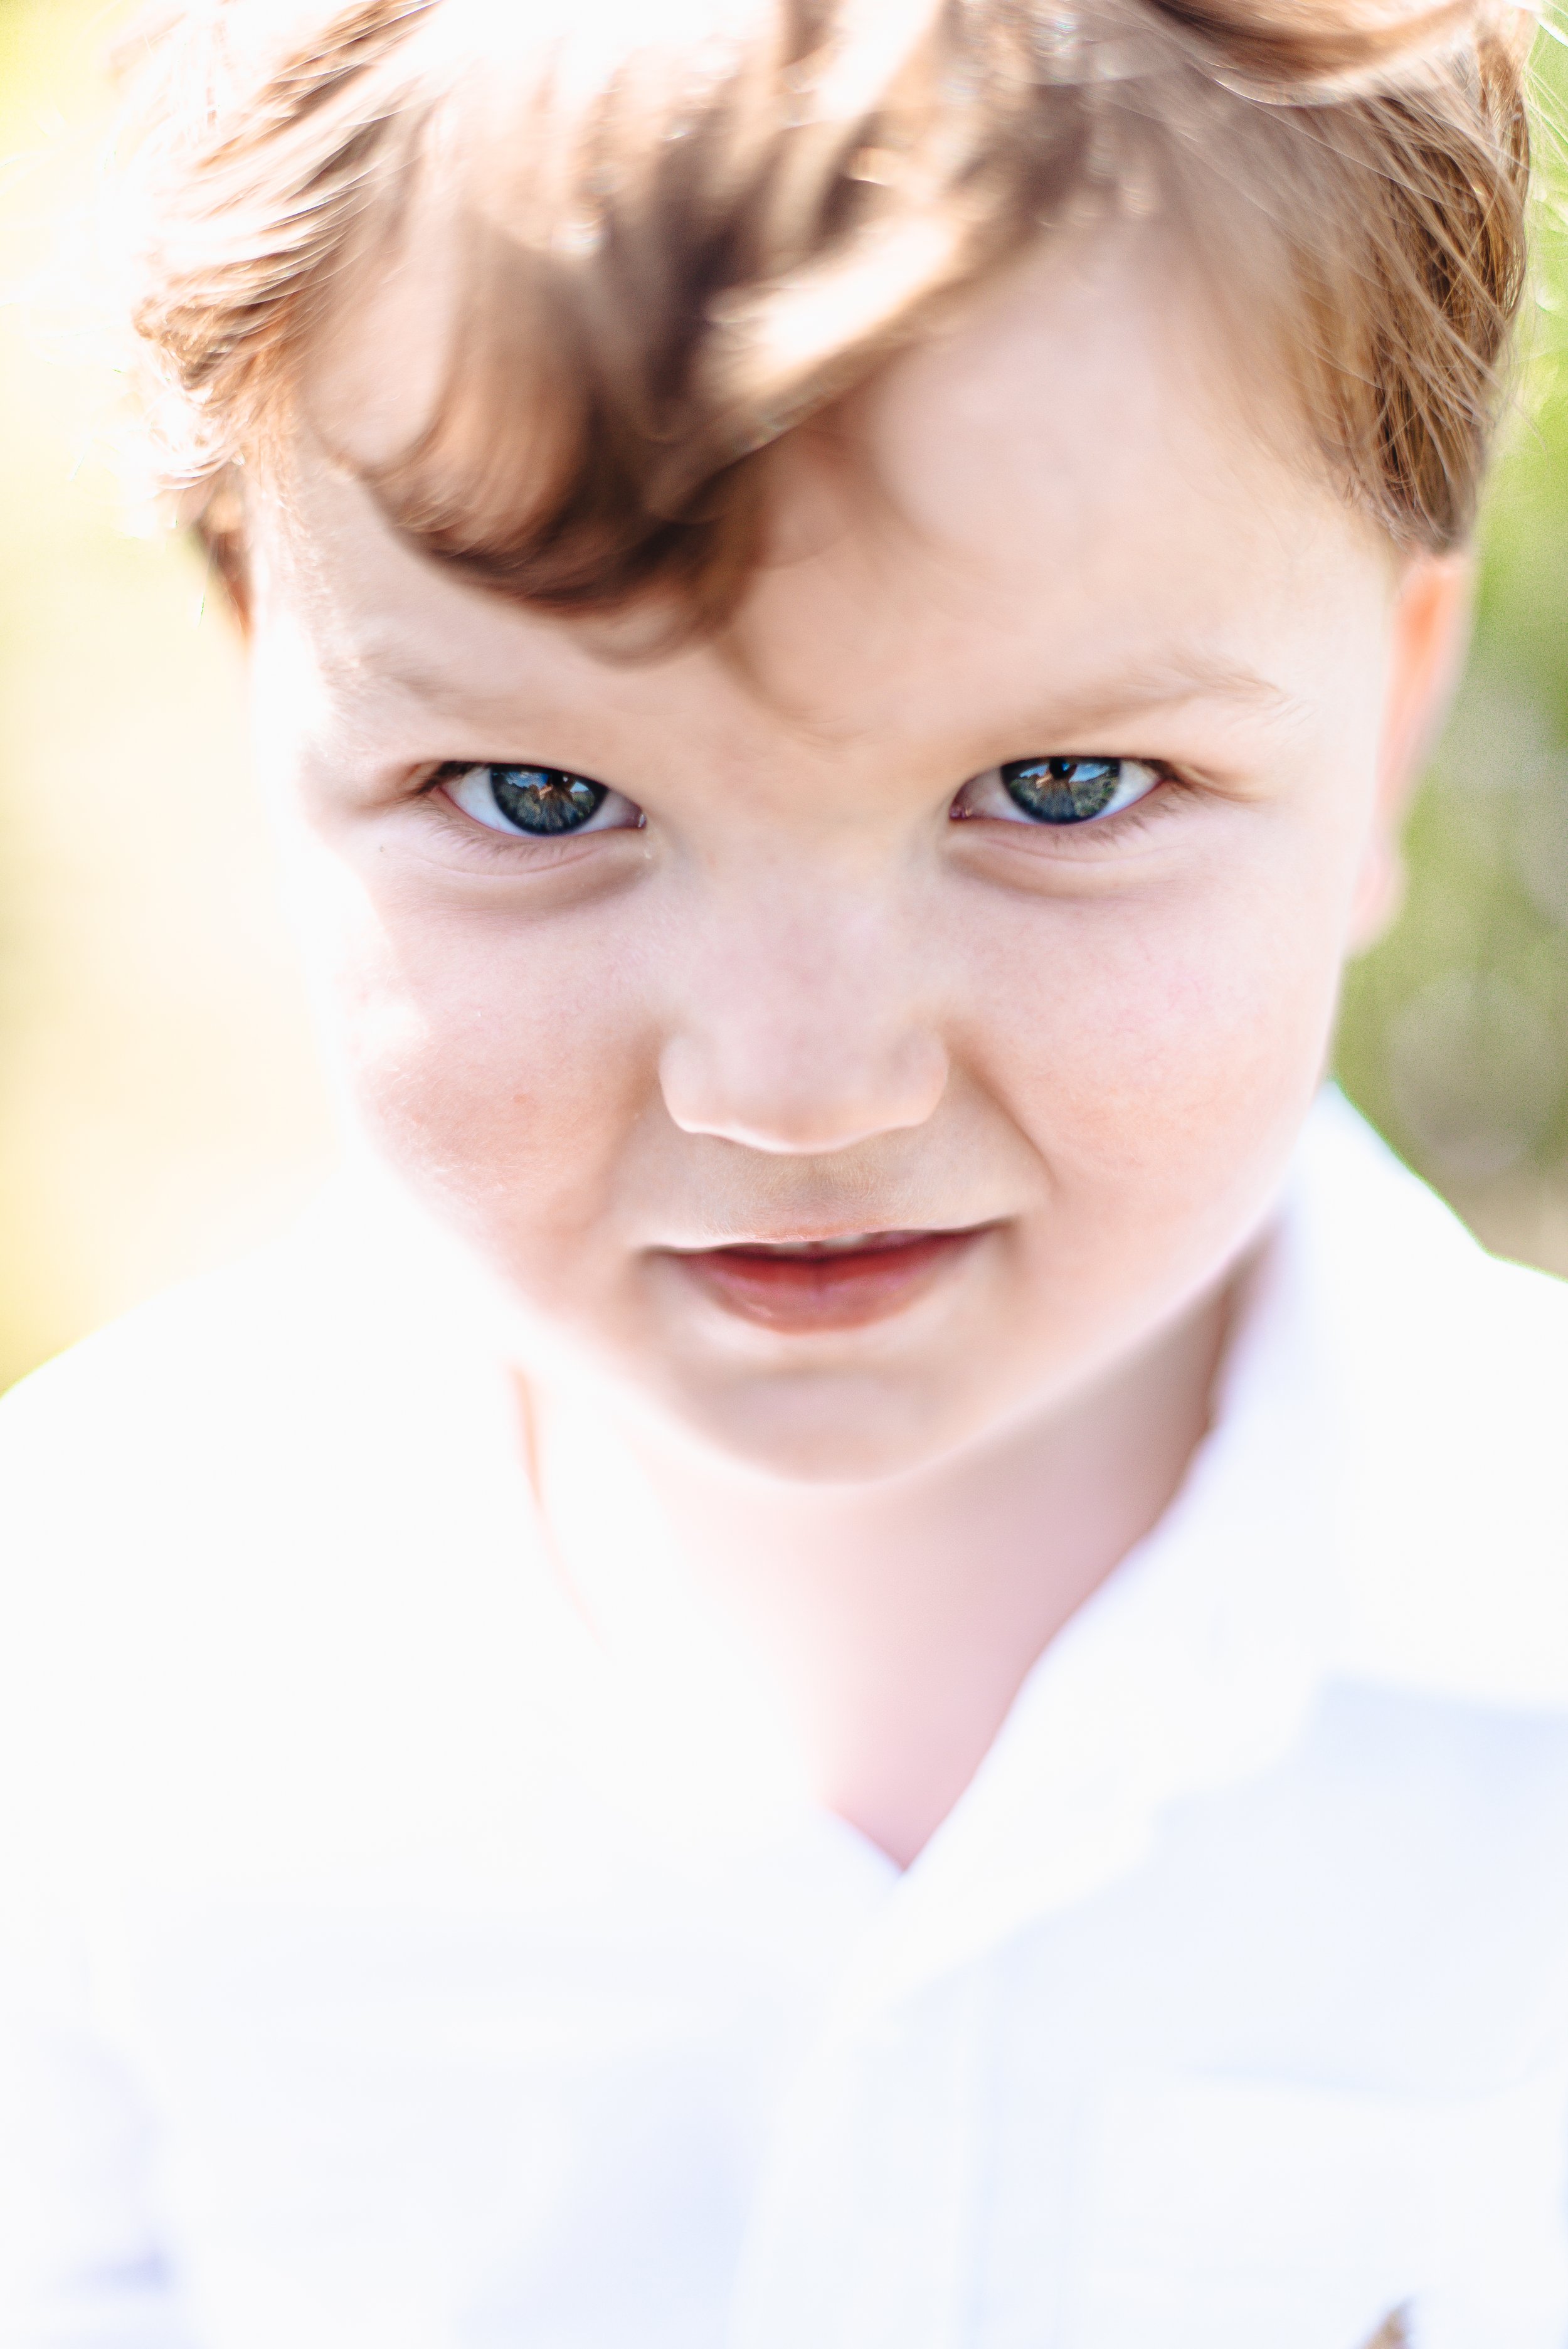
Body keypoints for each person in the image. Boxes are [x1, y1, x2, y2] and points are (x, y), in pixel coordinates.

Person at [2, 0, 1565, 2340]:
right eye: (541, 800)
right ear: (266, 707)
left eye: (1058, 790)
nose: (798, 1089)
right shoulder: (92, 1674)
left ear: (1384, 729)